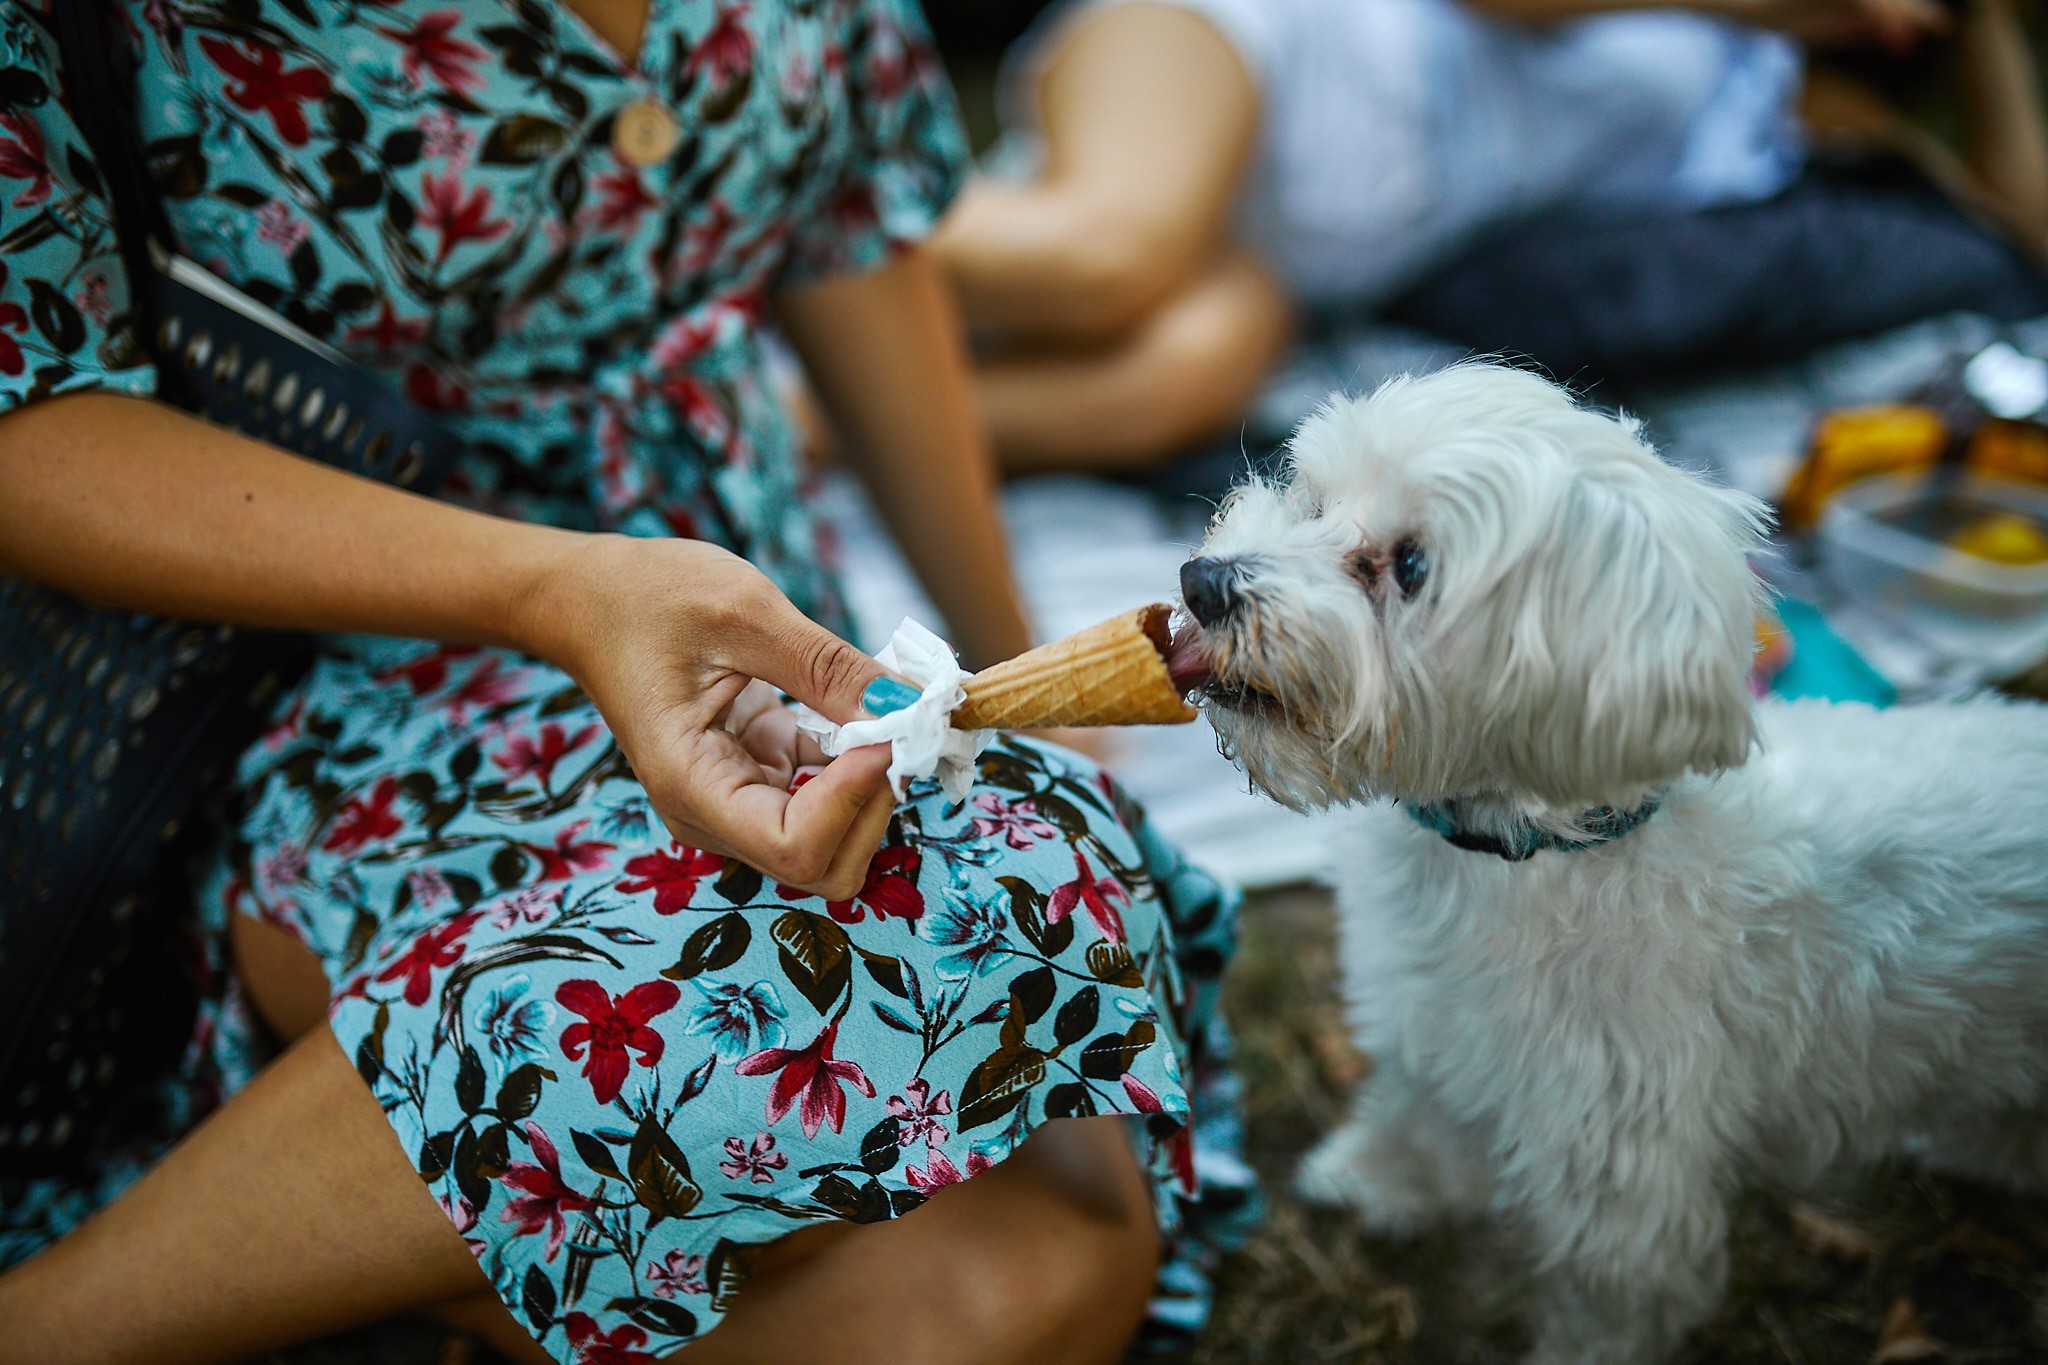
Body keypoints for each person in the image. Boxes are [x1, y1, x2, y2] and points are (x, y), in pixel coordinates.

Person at [0, 3, 1249, 1362]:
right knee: (970, 903)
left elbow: (846, 239)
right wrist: (556, 590)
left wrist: (1004, 656)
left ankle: (387, 1239)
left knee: (1047, 1264)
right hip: (344, 678)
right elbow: (32, 420)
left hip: (753, 643)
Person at [935, 0, 2048, 475]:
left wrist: (1988, 26)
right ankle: (787, 218)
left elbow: (2019, 234)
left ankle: (799, 416)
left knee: (1189, 374)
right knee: (1103, 259)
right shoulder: (1715, 25)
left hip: (1300, 254)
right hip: (1267, 53)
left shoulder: (1791, 131)